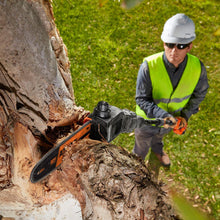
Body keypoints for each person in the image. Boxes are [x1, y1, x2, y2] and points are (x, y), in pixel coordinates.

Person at [133, 13, 209, 167]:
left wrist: (185, 116)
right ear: (163, 43)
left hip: (173, 120)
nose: (174, 51)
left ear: (189, 46)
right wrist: (164, 116)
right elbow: (141, 99)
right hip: (146, 121)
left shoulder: (197, 68)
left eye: (180, 46)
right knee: (141, 146)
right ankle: (137, 164)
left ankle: (158, 152)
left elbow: (199, 95)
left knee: (159, 138)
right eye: (170, 44)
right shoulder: (149, 65)